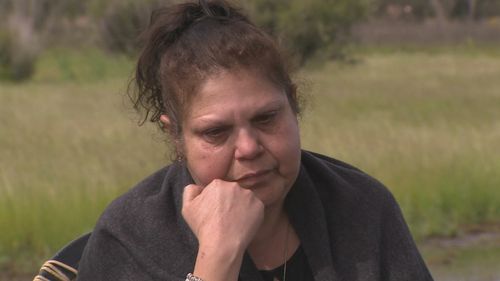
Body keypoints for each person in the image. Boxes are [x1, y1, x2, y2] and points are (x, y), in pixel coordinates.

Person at [77, 1, 434, 280]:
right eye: (216, 132)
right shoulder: (131, 235)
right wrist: (217, 258)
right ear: (176, 136)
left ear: (292, 105)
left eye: (266, 119)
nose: (248, 148)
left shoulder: (360, 207)